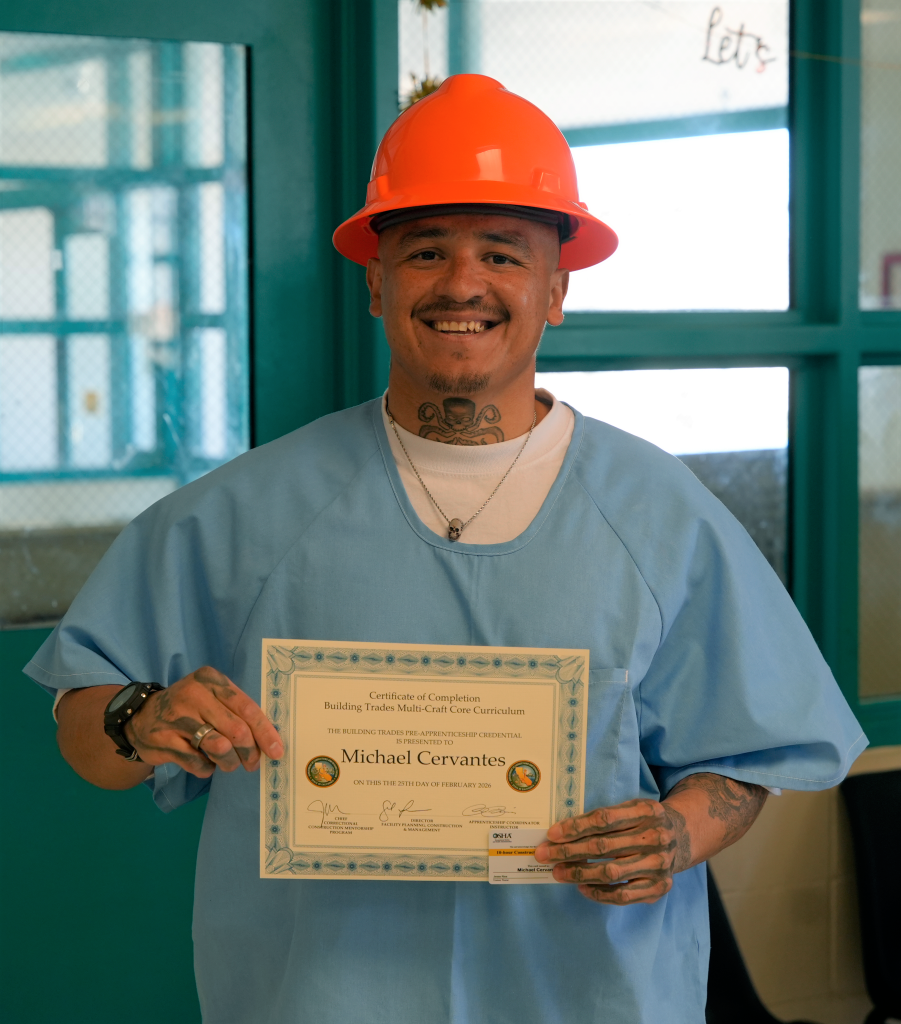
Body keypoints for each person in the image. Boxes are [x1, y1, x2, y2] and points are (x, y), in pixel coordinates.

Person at [27, 75, 864, 1024]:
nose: (462, 283)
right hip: (317, 995)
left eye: (502, 254)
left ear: (556, 288)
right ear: (376, 283)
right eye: (425, 251)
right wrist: (141, 717)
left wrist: (677, 831)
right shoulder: (244, 513)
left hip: (589, 992)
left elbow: (751, 749)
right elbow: (84, 730)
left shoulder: (659, 513)